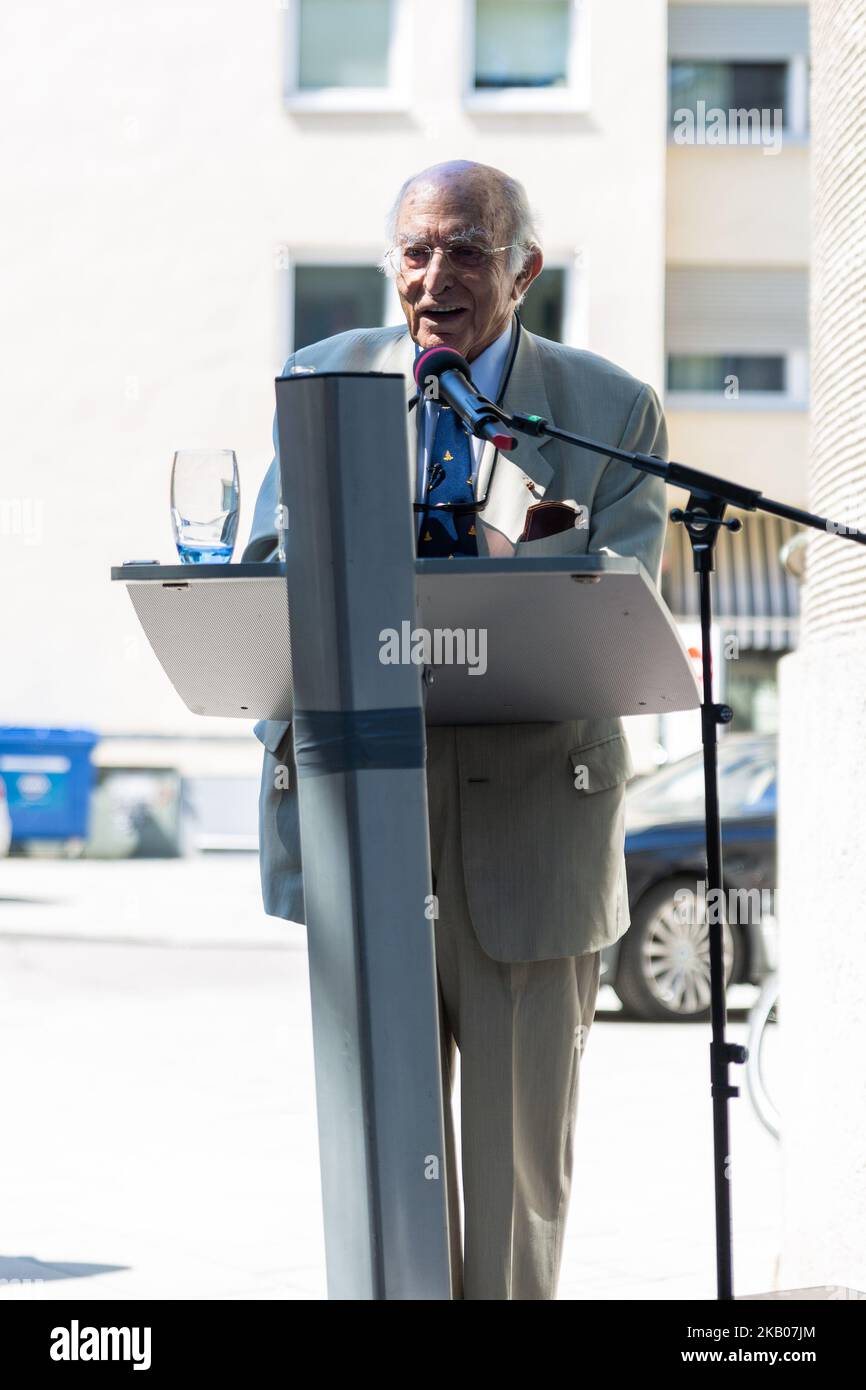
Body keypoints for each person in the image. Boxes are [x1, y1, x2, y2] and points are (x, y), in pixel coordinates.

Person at [244, 160, 669, 1300]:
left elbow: (625, 613)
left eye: (468, 250)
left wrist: (524, 560)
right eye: (416, 251)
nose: (436, 277)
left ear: (523, 270)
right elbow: (261, 583)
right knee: (382, 1166)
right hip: (364, 823)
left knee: (513, 1170)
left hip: (531, 830)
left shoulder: (609, 408)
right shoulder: (320, 380)